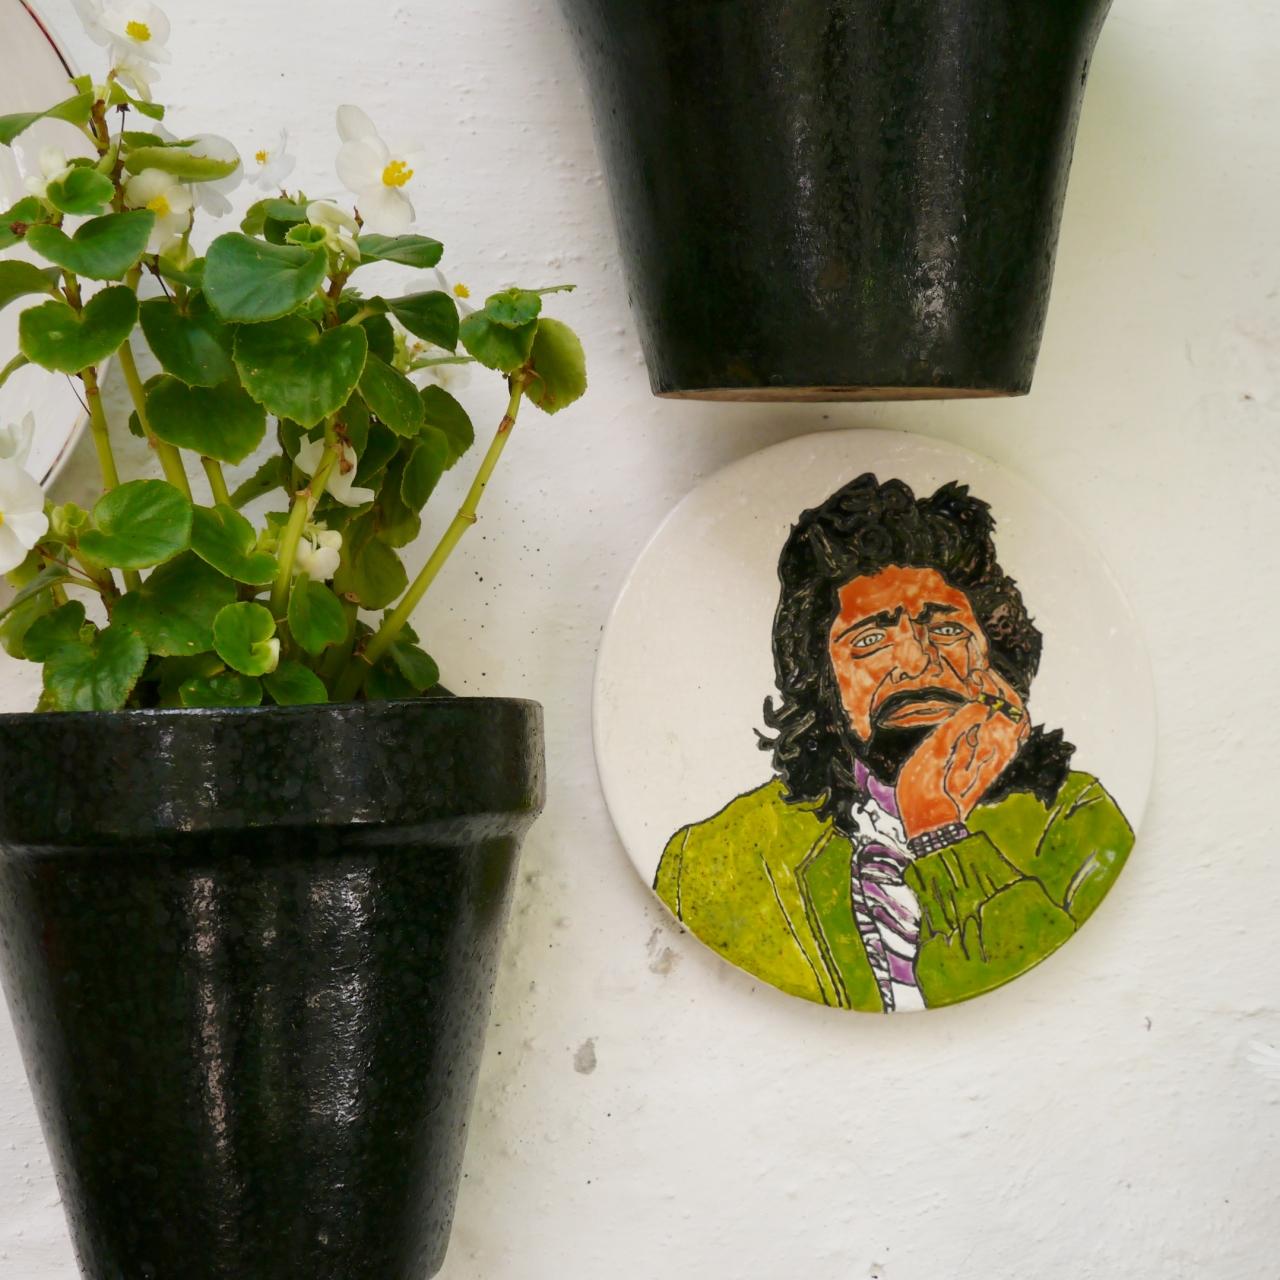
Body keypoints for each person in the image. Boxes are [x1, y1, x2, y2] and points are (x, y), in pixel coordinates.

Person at [655, 474, 1133, 1012]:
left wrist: (935, 824)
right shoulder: (713, 864)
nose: (917, 661)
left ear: (994, 658)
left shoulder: (1079, 822)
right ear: (820, 681)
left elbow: (1029, 1007)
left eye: (946, 629)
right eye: (870, 639)